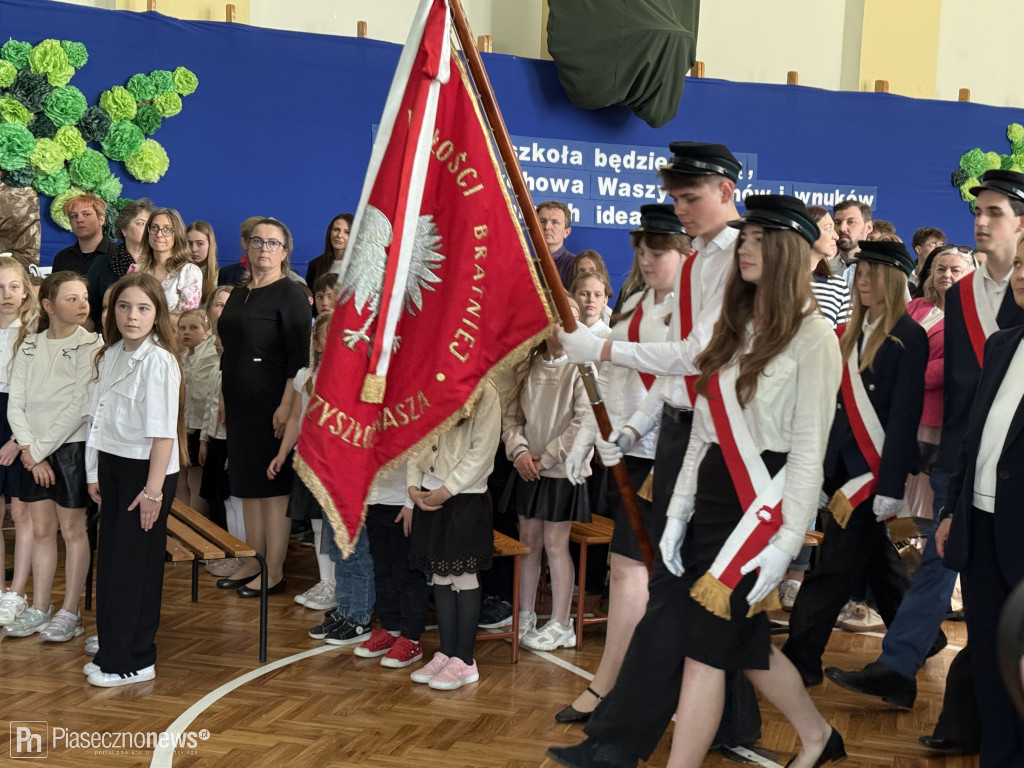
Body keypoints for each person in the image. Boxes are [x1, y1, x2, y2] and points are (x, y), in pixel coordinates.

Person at [550, 142, 761, 768]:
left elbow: (700, 355)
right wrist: (635, 423)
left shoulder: (747, 257)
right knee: (694, 599)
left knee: (683, 597)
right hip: (681, 437)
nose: (680, 210)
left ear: (727, 190)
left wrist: (605, 353)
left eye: (690, 197)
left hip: (724, 445)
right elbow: (678, 381)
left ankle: (616, 740)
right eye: (675, 197)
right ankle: (728, 722)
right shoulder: (697, 262)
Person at [657, 195, 844, 768]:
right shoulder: (733, 325)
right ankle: (816, 736)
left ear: (790, 251)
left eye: (760, 239)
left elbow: (811, 452)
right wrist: (678, 510)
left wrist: (788, 540)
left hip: (760, 506)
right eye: (745, 237)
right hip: (713, 499)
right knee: (743, 644)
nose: (746, 247)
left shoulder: (814, 338)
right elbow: (704, 432)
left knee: (706, 653)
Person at [824, 243, 976, 707]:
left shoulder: (975, 319)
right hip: (943, 451)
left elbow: (943, 373)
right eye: (942, 267)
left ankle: (953, 695)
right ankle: (899, 668)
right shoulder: (922, 312)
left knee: (944, 564)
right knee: (930, 558)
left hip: (979, 456)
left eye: (958, 268)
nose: (949, 274)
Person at [558, 204, 685, 723]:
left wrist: (606, 347)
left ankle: (676, 693)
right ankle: (611, 681)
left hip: (677, 456)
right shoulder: (634, 305)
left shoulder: (695, 310)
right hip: (630, 455)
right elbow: (609, 386)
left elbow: (675, 364)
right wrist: (586, 439)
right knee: (626, 571)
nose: (646, 259)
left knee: (670, 580)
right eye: (641, 250)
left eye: (658, 251)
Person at [782, 239, 927, 687]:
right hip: (842, 469)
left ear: (892, 279)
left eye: (871, 274)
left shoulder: (909, 335)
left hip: (873, 475)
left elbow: (904, 418)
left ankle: (800, 658)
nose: (861, 281)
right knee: (881, 566)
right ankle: (918, 644)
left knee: (831, 570)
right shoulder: (846, 331)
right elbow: (833, 409)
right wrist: (823, 470)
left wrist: (889, 485)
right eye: (858, 273)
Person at [936, 252, 1024, 767]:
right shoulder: (1001, 345)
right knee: (991, 655)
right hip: (981, 524)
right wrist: (950, 511)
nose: (1020, 277)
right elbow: (971, 440)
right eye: (1018, 267)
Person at [83, 272, 185, 687]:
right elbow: (98, 421)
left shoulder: (159, 361)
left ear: (157, 313)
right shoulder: (110, 355)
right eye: (124, 306)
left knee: (135, 569)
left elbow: (163, 434)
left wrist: (153, 492)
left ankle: (134, 659)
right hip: (113, 465)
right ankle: (112, 645)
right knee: (111, 563)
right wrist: (93, 474)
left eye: (143, 308)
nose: (132, 316)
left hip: (148, 471)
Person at [216, 218, 311, 597]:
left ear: (285, 251)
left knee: (273, 489)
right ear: (247, 247)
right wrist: (224, 398)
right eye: (258, 242)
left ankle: (274, 569)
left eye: (273, 243)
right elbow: (229, 351)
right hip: (239, 403)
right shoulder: (239, 293)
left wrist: (288, 406)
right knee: (248, 487)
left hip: (274, 401)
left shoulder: (291, 294)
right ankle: (253, 560)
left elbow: (299, 359)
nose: (264, 249)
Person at [3, 272, 100, 641]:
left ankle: (70, 611)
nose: (82, 304)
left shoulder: (91, 344)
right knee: (42, 530)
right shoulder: (29, 346)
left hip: (69, 449)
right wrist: (29, 450)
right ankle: (40, 606)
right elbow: (18, 402)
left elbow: (78, 405)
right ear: (48, 305)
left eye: (84, 297)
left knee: (72, 530)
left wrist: (36, 452)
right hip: (34, 453)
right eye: (71, 298)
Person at [501, 297, 593, 651]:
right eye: (555, 317)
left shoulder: (581, 368)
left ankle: (560, 622)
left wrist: (548, 457)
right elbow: (512, 419)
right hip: (528, 469)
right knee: (529, 541)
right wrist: (521, 452)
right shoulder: (529, 366)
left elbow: (584, 422)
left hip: (559, 472)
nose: (561, 324)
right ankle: (525, 614)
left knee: (556, 543)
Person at [407, 379, 500, 691]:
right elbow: (415, 439)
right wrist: (412, 487)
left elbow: (482, 451)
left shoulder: (485, 391)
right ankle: (447, 652)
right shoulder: (430, 382)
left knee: (463, 577)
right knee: (441, 576)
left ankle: (465, 660)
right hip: (430, 494)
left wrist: (447, 490)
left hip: (465, 499)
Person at [271, 311, 336, 612]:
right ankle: (326, 581)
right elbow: (296, 420)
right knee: (316, 522)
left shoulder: (351, 378)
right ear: (318, 343)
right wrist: (283, 453)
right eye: (327, 335)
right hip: (309, 460)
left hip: (335, 463)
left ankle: (339, 584)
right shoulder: (305, 377)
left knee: (336, 525)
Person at [0, 257, 37, 629]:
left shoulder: (32, 332)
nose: (6, 294)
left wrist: (17, 440)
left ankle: (16, 592)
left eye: (13, 286)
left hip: (19, 422)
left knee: (21, 512)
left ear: (25, 292)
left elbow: (35, 395)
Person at [85, 198, 155, 329]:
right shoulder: (103, 263)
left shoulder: (159, 262)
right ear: (124, 229)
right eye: (141, 224)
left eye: (150, 226)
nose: (147, 230)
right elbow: (90, 307)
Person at [176, 308, 216, 516]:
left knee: (196, 481)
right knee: (180, 480)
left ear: (206, 331)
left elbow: (210, 396)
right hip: (183, 426)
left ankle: (196, 528)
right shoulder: (182, 358)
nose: (186, 332)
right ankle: (182, 528)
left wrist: (204, 437)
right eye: (182, 328)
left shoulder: (211, 355)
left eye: (193, 328)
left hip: (201, 427)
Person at [137, 208, 203, 317]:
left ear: (177, 235)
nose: (159, 234)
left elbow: (185, 318)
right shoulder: (136, 269)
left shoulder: (189, 272)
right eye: (154, 228)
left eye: (167, 229)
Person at [806, 205, 850, 329]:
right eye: (828, 228)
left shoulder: (838, 286)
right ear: (808, 233)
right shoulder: (777, 281)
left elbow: (845, 340)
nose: (836, 236)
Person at [52, 194, 114, 277]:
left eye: (86, 214)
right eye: (73, 216)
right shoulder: (62, 258)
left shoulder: (118, 255)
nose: (79, 220)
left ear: (101, 219)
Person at [830, 200, 873, 288]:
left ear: (868, 227)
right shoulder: (824, 270)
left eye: (850, 222)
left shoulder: (882, 271)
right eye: (837, 223)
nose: (842, 228)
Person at [305, 213, 353, 291]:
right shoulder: (315, 265)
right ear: (329, 232)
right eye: (336, 229)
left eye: (347, 232)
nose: (339, 235)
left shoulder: (362, 265)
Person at [537, 201, 576, 288]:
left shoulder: (574, 265)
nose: (547, 227)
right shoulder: (525, 263)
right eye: (542, 221)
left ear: (566, 232)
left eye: (555, 222)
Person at [186, 221, 219, 304]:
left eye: (200, 244)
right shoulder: (176, 273)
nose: (194, 249)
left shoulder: (218, 277)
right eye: (189, 243)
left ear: (210, 245)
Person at [571, 270, 611, 334]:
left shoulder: (610, 337)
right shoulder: (561, 334)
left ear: (605, 300)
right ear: (573, 297)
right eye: (584, 294)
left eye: (597, 295)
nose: (591, 300)